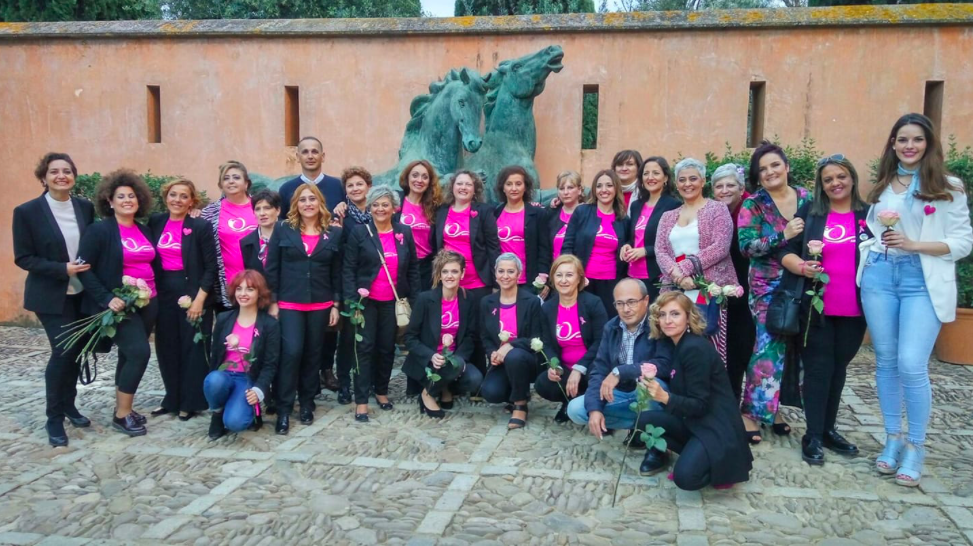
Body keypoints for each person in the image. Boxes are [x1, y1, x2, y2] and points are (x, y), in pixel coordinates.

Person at [860, 113, 972, 487]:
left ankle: (917, 445)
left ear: (929, 144)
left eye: (917, 140)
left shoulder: (948, 186)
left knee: (911, 363)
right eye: (903, 139)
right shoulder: (882, 186)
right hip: (880, 275)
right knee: (886, 360)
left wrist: (914, 244)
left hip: (921, 279)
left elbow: (962, 242)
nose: (910, 146)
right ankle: (892, 438)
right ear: (893, 144)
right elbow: (875, 230)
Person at [778, 155, 870, 466]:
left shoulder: (868, 216)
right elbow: (786, 252)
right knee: (817, 371)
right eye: (828, 179)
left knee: (838, 369)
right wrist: (803, 267)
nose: (835, 183)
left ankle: (829, 429)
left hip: (856, 309)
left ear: (852, 178)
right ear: (821, 185)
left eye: (841, 176)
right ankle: (813, 435)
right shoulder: (812, 213)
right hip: (816, 308)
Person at [13, 152, 95, 447]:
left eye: (67, 171)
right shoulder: (27, 212)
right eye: (54, 171)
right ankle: (53, 417)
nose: (61, 176)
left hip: (81, 293)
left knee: (77, 351)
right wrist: (62, 269)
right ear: (43, 178)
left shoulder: (84, 208)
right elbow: (23, 257)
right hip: (50, 295)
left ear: (74, 175)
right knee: (63, 350)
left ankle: (70, 405)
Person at [635, 292, 753, 489]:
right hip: (695, 423)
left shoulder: (694, 349)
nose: (667, 320)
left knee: (685, 479)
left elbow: (699, 405)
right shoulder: (678, 344)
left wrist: (664, 397)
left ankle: (719, 468)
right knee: (643, 420)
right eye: (662, 315)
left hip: (715, 427)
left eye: (675, 314)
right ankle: (696, 454)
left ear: (688, 317)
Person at [737, 141, 812, 444]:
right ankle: (749, 413)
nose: (769, 172)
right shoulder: (753, 205)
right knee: (768, 348)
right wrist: (783, 236)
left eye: (775, 165)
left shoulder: (808, 198)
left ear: (786, 167)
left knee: (793, 350)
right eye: (763, 169)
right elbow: (746, 247)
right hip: (767, 287)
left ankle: (773, 410)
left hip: (804, 282)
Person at [77, 170, 159, 436]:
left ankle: (123, 407)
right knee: (139, 352)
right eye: (120, 196)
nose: (127, 200)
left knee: (128, 355)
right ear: (109, 201)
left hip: (149, 302)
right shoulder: (99, 231)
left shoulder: (144, 229)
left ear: (139, 200)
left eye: (131, 196)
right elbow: (84, 268)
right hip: (120, 305)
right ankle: (122, 415)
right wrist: (106, 298)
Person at [265, 183, 342, 435]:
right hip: (289, 303)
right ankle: (285, 408)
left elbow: (337, 273)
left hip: (321, 303)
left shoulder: (333, 233)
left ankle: (307, 402)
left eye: (312, 199)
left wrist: (336, 304)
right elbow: (272, 267)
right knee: (292, 352)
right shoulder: (283, 230)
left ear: (320, 203)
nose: (308, 203)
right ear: (295, 204)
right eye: (302, 200)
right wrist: (273, 301)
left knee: (313, 354)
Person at [567, 278, 673, 451]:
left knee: (646, 386)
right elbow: (599, 369)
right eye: (620, 303)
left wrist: (621, 371)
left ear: (645, 301)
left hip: (655, 393)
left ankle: (656, 445)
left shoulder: (658, 325)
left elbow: (664, 364)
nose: (626, 309)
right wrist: (595, 408)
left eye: (631, 302)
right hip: (622, 393)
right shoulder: (612, 326)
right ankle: (639, 427)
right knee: (576, 409)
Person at [343, 186, 420, 422]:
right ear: (369, 207)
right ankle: (362, 400)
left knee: (386, 348)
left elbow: (414, 268)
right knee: (364, 349)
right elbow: (348, 268)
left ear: (394, 208)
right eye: (375, 204)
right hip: (366, 303)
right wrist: (352, 300)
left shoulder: (404, 232)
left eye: (385, 204)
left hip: (392, 302)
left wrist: (415, 300)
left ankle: (382, 390)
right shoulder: (359, 232)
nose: (380, 209)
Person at [148, 178, 217, 421]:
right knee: (166, 347)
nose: (177, 200)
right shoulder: (155, 222)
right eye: (173, 194)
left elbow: (211, 268)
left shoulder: (200, 226)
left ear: (192, 201)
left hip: (193, 292)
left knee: (193, 348)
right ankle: (171, 399)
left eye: (184, 196)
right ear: (166, 196)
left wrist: (199, 300)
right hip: (163, 294)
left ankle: (191, 401)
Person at [655, 158, 737, 362]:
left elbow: (720, 246)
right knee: (675, 345)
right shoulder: (668, 216)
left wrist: (684, 268)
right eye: (682, 179)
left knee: (706, 343)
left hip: (707, 288)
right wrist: (677, 276)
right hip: (676, 288)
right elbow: (660, 250)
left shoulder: (717, 209)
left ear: (703, 181)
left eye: (693, 178)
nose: (687, 184)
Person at [403, 250, 484, 418]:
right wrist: (431, 355)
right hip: (429, 360)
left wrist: (458, 359)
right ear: (439, 275)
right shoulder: (425, 299)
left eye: (454, 271)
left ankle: (444, 386)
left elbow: (470, 336)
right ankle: (428, 393)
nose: (449, 276)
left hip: (454, 358)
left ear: (462, 273)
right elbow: (410, 338)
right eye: (445, 271)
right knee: (442, 364)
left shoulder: (469, 299)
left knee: (475, 378)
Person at [435, 170, 501, 372]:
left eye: (468, 184)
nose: (463, 188)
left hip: (477, 280)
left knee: (476, 329)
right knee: (451, 327)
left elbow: (493, 247)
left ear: (475, 190)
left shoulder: (483, 211)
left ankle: (478, 375)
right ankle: (449, 373)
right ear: (452, 187)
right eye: (459, 184)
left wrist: (495, 281)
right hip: (448, 280)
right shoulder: (442, 211)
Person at [205, 270, 280, 440]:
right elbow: (215, 355)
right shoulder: (224, 319)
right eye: (239, 289)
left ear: (260, 293)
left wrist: (259, 389)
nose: (243, 294)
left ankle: (251, 410)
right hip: (224, 375)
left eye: (250, 289)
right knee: (213, 380)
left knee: (235, 423)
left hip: (247, 379)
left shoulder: (269, 324)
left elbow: (270, 364)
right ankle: (217, 413)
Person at [533, 255, 608, 422]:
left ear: (579, 278)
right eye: (559, 275)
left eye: (569, 275)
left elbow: (601, 341)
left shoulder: (593, 303)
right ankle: (569, 402)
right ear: (552, 279)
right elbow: (546, 343)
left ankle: (597, 408)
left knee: (593, 380)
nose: (564, 280)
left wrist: (579, 368)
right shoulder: (548, 308)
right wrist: (554, 365)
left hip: (591, 368)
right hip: (565, 369)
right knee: (543, 383)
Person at [478, 253, 546, 429]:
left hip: (525, 359)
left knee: (514, 356)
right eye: (501, 271)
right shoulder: (487, 302)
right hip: (501, 361)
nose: (505, 276)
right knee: (491, 393)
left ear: (519, 274)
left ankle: (520, 404)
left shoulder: (531, 301)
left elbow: (536, 337)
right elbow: (485, 335)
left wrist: (509, 346)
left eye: (510, 271)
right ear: (495, 273)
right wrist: (492, 352)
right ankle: (514, 390)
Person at [711, 163, 755, 401]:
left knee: (742, 348)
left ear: (741, 188)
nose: (724, 190)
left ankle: (743, 402)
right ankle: (725, 400)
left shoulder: (751, 211)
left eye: (730, 185)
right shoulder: (713, 213)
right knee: (723, 347)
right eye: (719, 186)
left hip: (750, 289)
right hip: (721, 290)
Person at [562, 170, 629, 318]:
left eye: (609, 185)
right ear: (594, 189)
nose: (604, 190)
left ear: (616, 188)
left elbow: (629, 244)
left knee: (607, 323)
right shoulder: (582, 212)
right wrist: (574, 276)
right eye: (599, 186)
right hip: (583, 281)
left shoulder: (623, 219)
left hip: (611, 283)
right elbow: (567, 245)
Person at [200, 161, 258, 311]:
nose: (231, 181)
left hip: (259, 282)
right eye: (226, 178)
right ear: (220, 185)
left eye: (236, 177)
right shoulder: (210, 212)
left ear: (246, 183)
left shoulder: (261, 206)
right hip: (227, 284)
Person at [621, 156, 681, 301]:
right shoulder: (636, 205)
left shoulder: (673, 205)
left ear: (665, 177)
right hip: (632, 273)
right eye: (646, 173)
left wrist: (645, 251)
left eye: (656, 173)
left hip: (657, 275)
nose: (650, 177)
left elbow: (673, 243)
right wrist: (626, 245)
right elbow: (634, 237)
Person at [494, 166, 551, 292]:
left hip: (529, 281)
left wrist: (542, 276)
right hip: (502, 280)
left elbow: (544, 248)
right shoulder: (495, 213)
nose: (514, 188)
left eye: (518, 184)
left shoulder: (537, 214)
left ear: (525, 187)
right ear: (503, 188)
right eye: (509, 184)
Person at [397, 159, 442, 291]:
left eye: (425, 177)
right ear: (407, 177)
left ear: (429, 182)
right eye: (415, 175)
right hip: (400, 264)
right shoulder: (395, 200)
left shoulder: (435, 208)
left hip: (425, 268)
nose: (419, 180)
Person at [278, 136, 347, 218]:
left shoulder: (338, 186)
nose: (310, 156)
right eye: (305, 152)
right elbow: (281, 222)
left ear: (323, 157)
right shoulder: (286, 189)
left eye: (314, 152)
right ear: (297, 157)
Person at [240, 189, 281, 275]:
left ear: (278, 210)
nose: (262, 213)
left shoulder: (291, 235)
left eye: (267, 208)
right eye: (258, 209)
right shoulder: (246, 243)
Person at [549, 171, 584, 261]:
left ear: (579, 190)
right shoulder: (551, 214)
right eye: (561, 188)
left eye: (570, 188)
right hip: (554, 270)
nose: (565, 192)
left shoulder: (588, 214)